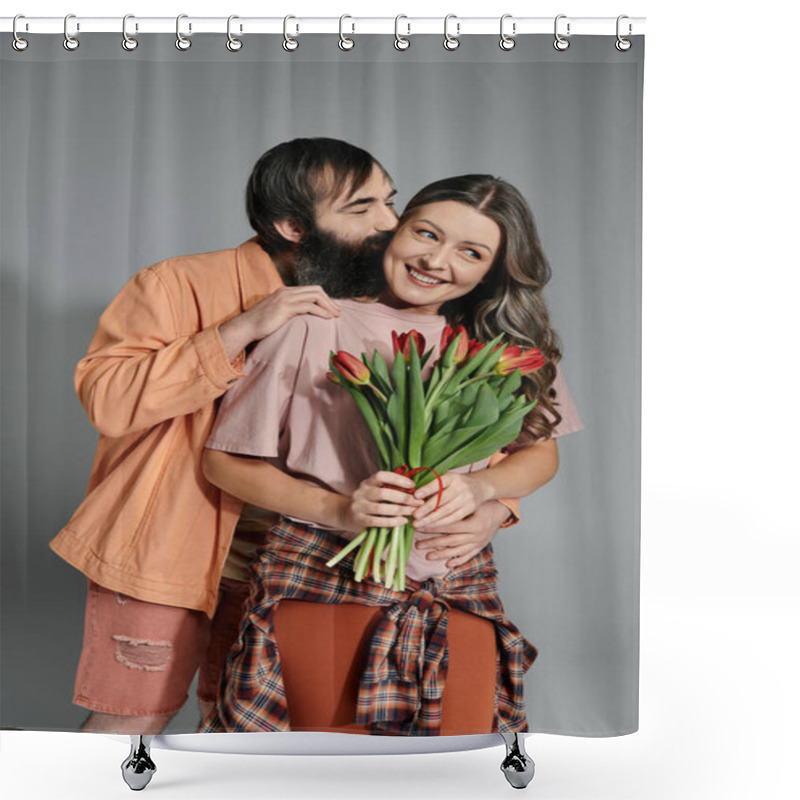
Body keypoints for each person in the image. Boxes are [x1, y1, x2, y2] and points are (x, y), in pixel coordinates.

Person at [49, 139, 523, 735]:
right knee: (133, 721)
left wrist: (493, 504)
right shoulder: (176, 283)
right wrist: (240, 328)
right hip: (168, 552)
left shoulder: (379, 296)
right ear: (293, 226)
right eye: (360, 209)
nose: (389, 223)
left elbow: (458, 433)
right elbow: (109, 400)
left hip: (297, 568)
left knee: (240, 733)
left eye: (389, 201)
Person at [199, 175, 583, 735]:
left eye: (471, 252)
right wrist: (341, 512)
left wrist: (482, 493)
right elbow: (224, 462)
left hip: (453, 584)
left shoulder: (506, 350)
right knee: (315, 771)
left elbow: (541, 457)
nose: (437, 260)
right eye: (426, 233)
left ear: (492, 271)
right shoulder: (312, 323)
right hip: (322, 577)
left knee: (451, 773)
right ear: (394, 228)